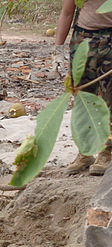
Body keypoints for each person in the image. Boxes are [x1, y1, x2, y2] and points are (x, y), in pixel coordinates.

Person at [57, 0, 112, 175]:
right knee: (83, 98)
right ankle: (85, 151)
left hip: (110, 38)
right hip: (82, 38)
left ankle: (106, 151)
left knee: (109, 98)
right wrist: (58, 49)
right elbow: (67, 12)